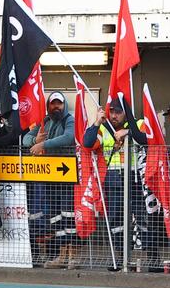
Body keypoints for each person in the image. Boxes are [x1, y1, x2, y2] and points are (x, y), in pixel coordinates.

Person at [23, 91, 77, 269]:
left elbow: (69, 137)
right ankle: (61, 256)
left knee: (69, 216)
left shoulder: (69, 119)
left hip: (67, 176)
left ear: (64, 105)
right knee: (55, 217)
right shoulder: (44, 121)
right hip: (49, 176)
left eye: (59, 103)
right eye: (53, 104)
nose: (56, 107)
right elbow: (25, 139)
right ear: (48, 106)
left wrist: (43, 144)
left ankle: (72, 257)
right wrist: (34, 140)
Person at [82, 99, 130, 270]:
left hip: (133, 178)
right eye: (112, 112)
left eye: (119, 112)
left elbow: (145, 135)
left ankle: (144, 259)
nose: (114, 115)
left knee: (141, 220)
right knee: (114, 219)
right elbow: (87, 143)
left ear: (126, 113)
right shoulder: (104, 129)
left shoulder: (137, 123)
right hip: (112, 178)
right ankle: (120, 258)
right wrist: (96, 122)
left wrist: (128, 131)